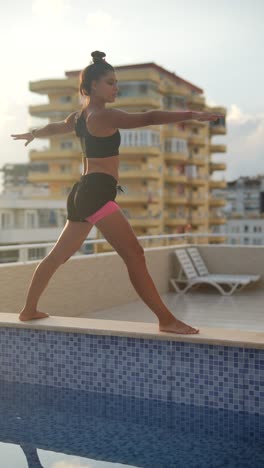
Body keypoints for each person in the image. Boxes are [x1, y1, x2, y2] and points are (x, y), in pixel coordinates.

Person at [11, 50, 224, 334]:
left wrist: (34, 133)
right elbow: (149, 117)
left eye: (116, 82)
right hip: (97, 192)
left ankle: (28, 310)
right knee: (134, 254)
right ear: (93, 86)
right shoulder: (105, 116)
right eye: (110, 82)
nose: (116, 88)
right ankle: (166, 320)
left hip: (82, 192)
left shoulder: (79, 117)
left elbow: (56, 126)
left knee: (56, 256)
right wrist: (192, 114)